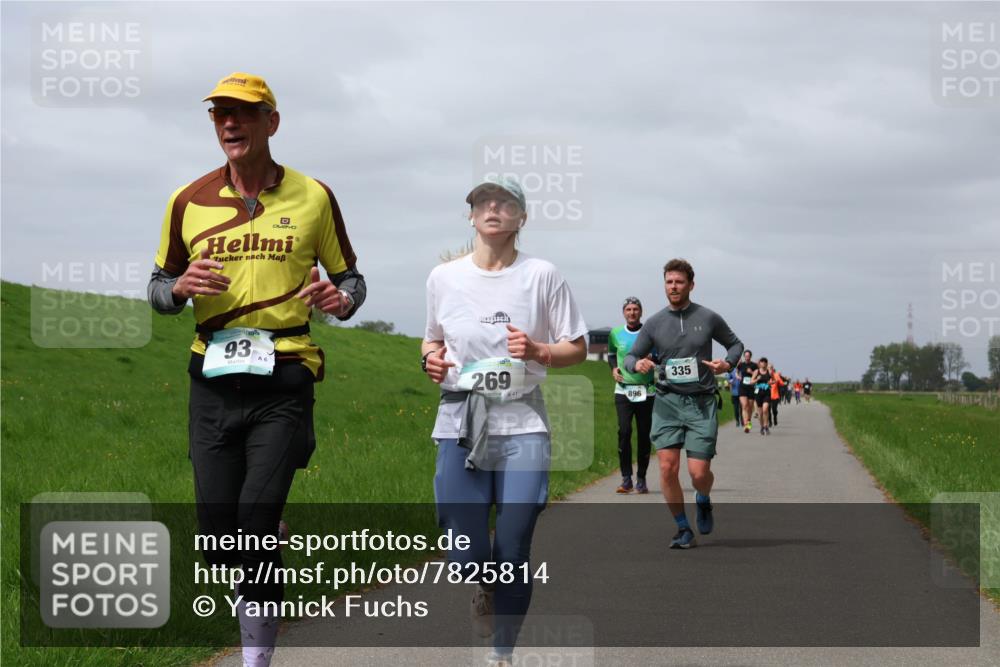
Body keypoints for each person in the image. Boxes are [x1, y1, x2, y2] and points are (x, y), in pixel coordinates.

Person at [147, 72, 366, 667]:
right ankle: (265, 528)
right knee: (222, 543)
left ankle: (256, 659)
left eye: (243, 114)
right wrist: (179, 288)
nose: (229, 124)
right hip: (211, 380)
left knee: (253, 523)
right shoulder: (186, 201)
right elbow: (157, 286)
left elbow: (350, 279)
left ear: (272, 121)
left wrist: (342, 301)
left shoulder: (314, 196)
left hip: (284, 376)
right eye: (219, 114)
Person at [421, 175, 587, 667]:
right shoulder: (443, 278)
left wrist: (539, 351)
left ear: (521, 217)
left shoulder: (543, 275)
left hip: (522, 424)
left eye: (505, 202)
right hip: (460, 421)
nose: (492, 208)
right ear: (471, 216)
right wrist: (429, 360)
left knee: (513, 546)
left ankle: (500, 654)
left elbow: (576, 347)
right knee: (465, 552)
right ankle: (482, 587)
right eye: (482, 202)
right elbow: (431, 341)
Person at [624, 259, 743, 549]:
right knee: (666, 467)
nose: (673, 287)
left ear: (691, 284)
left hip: (701, 403)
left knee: (698, 473)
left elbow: (736, 345)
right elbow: (630, 356)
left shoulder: (709, 317)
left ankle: (702, 499)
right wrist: (637, 362)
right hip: (667, 401)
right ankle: (682, 528)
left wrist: (726, 363)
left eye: (679, 282)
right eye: (669, 282)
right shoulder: (653, 323)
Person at [607, 297, 656, 494]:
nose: (632, 312)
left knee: (644, 435)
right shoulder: (615, 333)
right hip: (623, 390)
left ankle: (642, 479)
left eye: (635, 309)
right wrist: (613, 369)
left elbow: (660, 354)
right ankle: (626, 478)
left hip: (646, 390)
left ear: (641, 312)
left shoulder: (649, 333)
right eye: (628, 309)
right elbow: (611, 354)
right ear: (624, 312)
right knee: (625, 432)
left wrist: (653, 359)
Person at [750, 358, 772, 435]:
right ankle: (762, 427)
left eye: (764, 362)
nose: (763, 363)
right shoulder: (757, 372)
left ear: (766, 363)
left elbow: (774, 380)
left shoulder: (769, 371)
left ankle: (766, 426)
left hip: (767, 393)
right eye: (761, 362)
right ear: (759, 363)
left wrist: (770, 383)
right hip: (758, 393)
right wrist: (757, 379)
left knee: (765, 409)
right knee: (760, 413)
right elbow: (751, 382)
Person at [736, 349, 756, 433]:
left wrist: (751, 372)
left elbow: (757, 375)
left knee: (750, 407)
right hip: (742, 387)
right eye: (746, 356)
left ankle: (749, 422)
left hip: (751, 387)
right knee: (744, 406)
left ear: (750, 356)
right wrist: (738, 376)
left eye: (748, 356)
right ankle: (746, 425)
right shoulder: (741, 365)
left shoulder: (754, 365)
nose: (747, 357)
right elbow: (736, 371)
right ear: (744, 356)